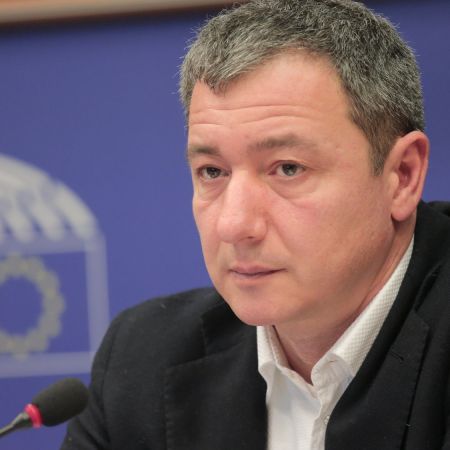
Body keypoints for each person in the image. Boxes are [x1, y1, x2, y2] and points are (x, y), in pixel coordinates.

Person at [61, 0, 450, 449]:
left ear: (402, 175)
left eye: (288, 168)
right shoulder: (144, 358)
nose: (233, 224)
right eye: (212, 171)